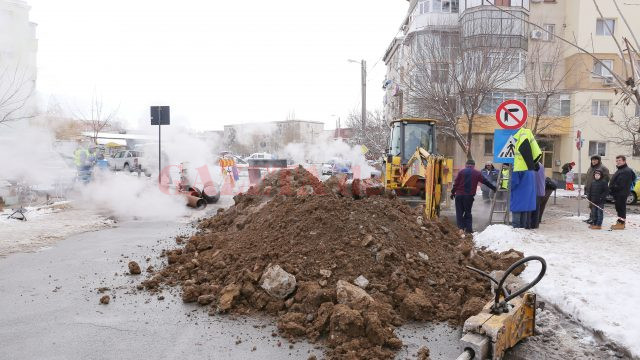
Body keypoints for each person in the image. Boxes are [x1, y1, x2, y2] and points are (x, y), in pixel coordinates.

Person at [451, 159, 497, 234]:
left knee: (459, 212)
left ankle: (461, 228)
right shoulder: (477, 173)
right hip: (468, 196)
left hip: (459, 195)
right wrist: (493, 188)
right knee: (468, 212)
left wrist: (453, 192)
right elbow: (485, 181)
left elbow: (456, 183)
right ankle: (468, 230)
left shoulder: (461, 172)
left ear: (466, 165)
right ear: (474, 165)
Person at [511, 128, 541, 229]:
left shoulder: (519, 166)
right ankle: (522, 231)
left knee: (516, 221)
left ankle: (516, 232)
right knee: (523, 220)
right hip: (527, 199)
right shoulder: (531, 168)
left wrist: (507, 187)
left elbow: (514, 182)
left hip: (518, 197)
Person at [608, 155, 637, 230]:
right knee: (619, 208)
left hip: (621, 193)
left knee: (621, 208)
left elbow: (621, 184)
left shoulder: (626, 171)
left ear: (624, 161)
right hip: (619, 193)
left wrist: (611, 189)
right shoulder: (621, 169)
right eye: (617, 161)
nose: (618, 162)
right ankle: (619, 222)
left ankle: (621, 224)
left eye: (619, 160)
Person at [584, 155, 610, 224]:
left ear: (599, 160)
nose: (594, 161)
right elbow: (587, 178)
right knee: (591, 205)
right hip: (590, 190)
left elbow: (606, 179)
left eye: (595, 160)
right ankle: (591, 218)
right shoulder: (591, 168)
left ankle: (596, 220)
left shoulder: (603, 168)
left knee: (596, 207)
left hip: (597, 191)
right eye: (592, 160)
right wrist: (585, 187)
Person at [530, 162, 545, 229]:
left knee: (533, 209)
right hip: (540, 190)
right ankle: (535, 225)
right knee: (536, 209)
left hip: (535, 190)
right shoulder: (540, 165)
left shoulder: (533, 165)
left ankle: (533, 225)